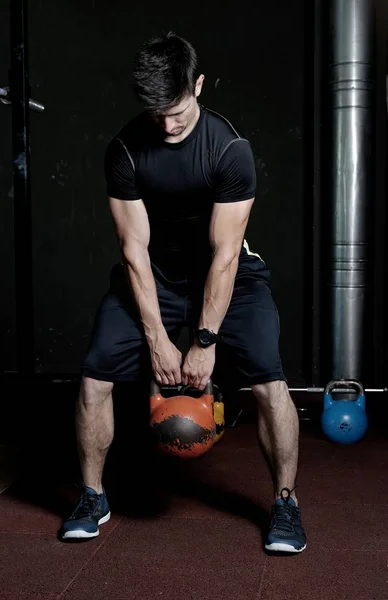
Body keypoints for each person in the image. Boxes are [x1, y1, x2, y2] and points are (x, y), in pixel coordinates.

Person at [60, 31, 306, 554]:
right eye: (157, 115)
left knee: (268, 380)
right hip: (155, 275)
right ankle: (91, 495)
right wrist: (157, 339)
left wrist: (205, 339)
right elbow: (133, 251)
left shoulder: (229, 150)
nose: (168, 126)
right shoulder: (126, 149)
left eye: (177, 110)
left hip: (230, 276)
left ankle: (285, 502)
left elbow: (225, 255)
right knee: (94, 377)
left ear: (198, 84)